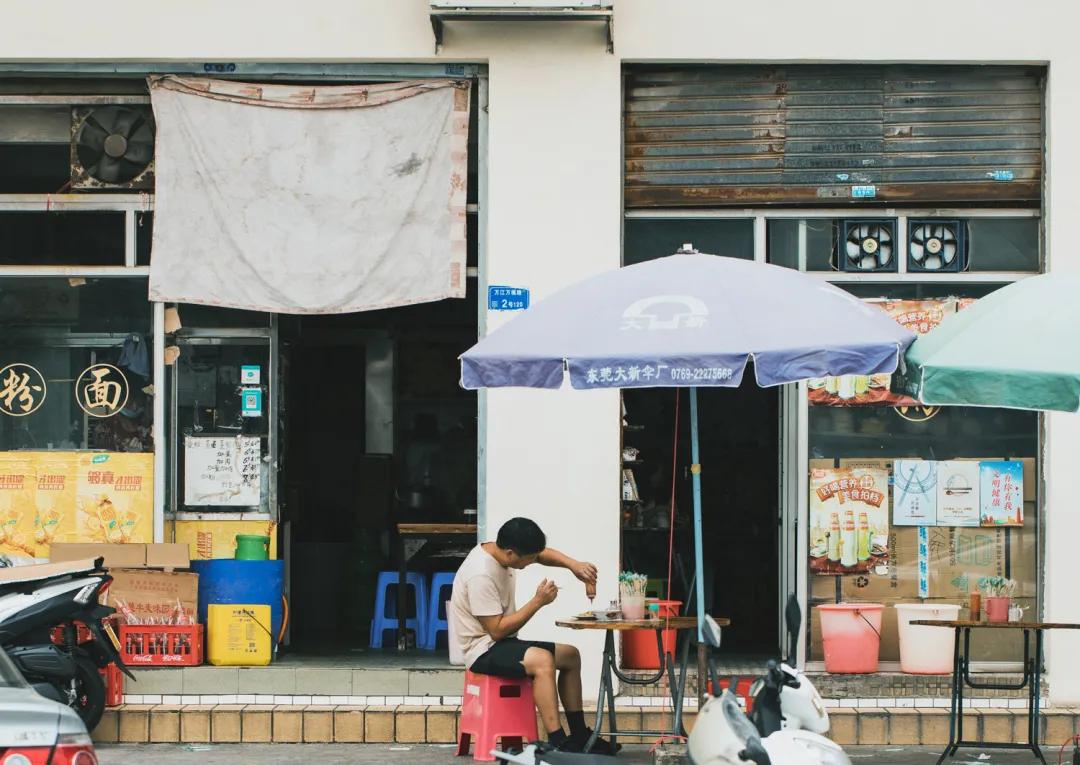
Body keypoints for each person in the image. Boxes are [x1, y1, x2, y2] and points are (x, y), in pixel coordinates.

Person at [449, 517, 614, 753]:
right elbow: (496, 631)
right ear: (510, 553)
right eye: (529, 559)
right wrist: (538, 602)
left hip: (504, 643)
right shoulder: (480, 574)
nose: (532, 563)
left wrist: (573, 565)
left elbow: (541, 554)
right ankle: (557, 741)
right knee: (542, 660)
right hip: (481, 649)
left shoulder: (501, 551)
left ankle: (580, 735)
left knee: (570, 656)